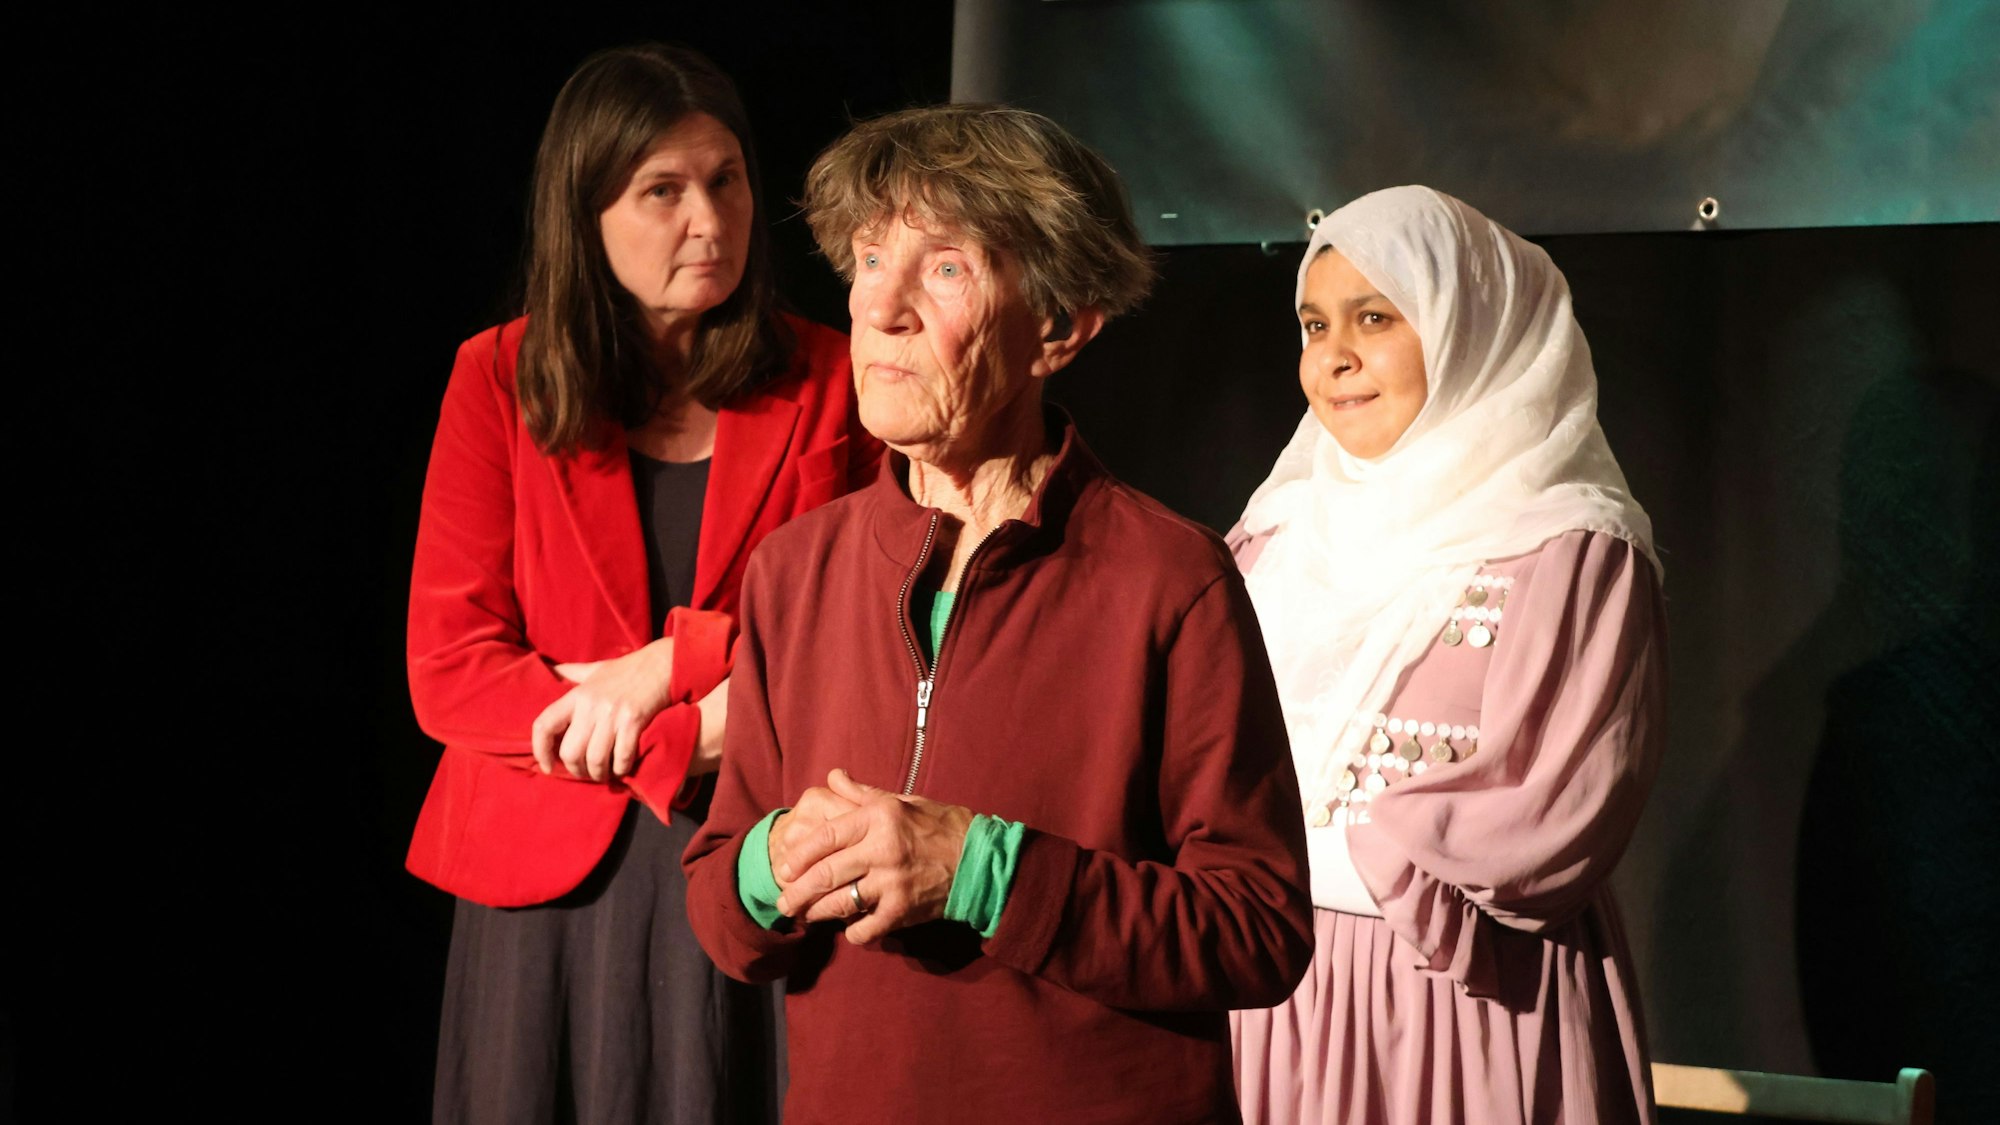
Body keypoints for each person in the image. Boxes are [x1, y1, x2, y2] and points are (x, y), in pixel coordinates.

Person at [680, 104, 1315, 1123]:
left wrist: (979, 871)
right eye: (868, 257)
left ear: (1058, 328)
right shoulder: (793, 571)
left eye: (944, 269)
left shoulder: (1169, 577)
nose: (878, 307)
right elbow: (720, 906)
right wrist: (772, 862)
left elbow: (1254, 929)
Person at [404, 43, 879, 1124]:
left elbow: (858, 625)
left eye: (725, 180)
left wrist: (674, 667)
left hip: (756, 852)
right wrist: (684, 735)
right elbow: (450, 671)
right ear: (586, 211)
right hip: (545, 884)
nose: (708, 221)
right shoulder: (497, 377)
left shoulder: (832, 376)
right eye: (661, 191)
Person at [1227, 186, 1666, 1124]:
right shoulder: (1270, 538)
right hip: (1261, 1001)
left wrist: (1288, 862)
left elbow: (1554, 811)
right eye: (1314, 323)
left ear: (1473, 326)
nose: (1334, 355)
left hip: (1454, 1004)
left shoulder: (1571, 547)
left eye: (1375, 317)